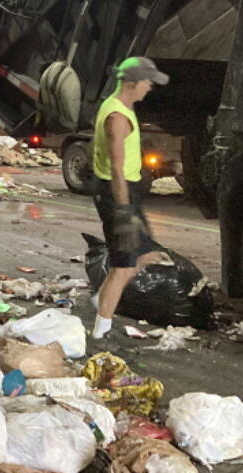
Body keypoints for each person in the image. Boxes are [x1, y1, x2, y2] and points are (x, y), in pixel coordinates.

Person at [89, 56, 169, 339]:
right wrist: (123, 210)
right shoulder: (118, 119)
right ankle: (101, 332)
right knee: (123, 267)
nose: (149, 87)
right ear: (132, 83)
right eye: (147, 82)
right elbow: (117, 169)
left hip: (124, 192)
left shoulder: (120, 107)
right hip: (117, 193)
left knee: (140, 255)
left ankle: (101, 302)